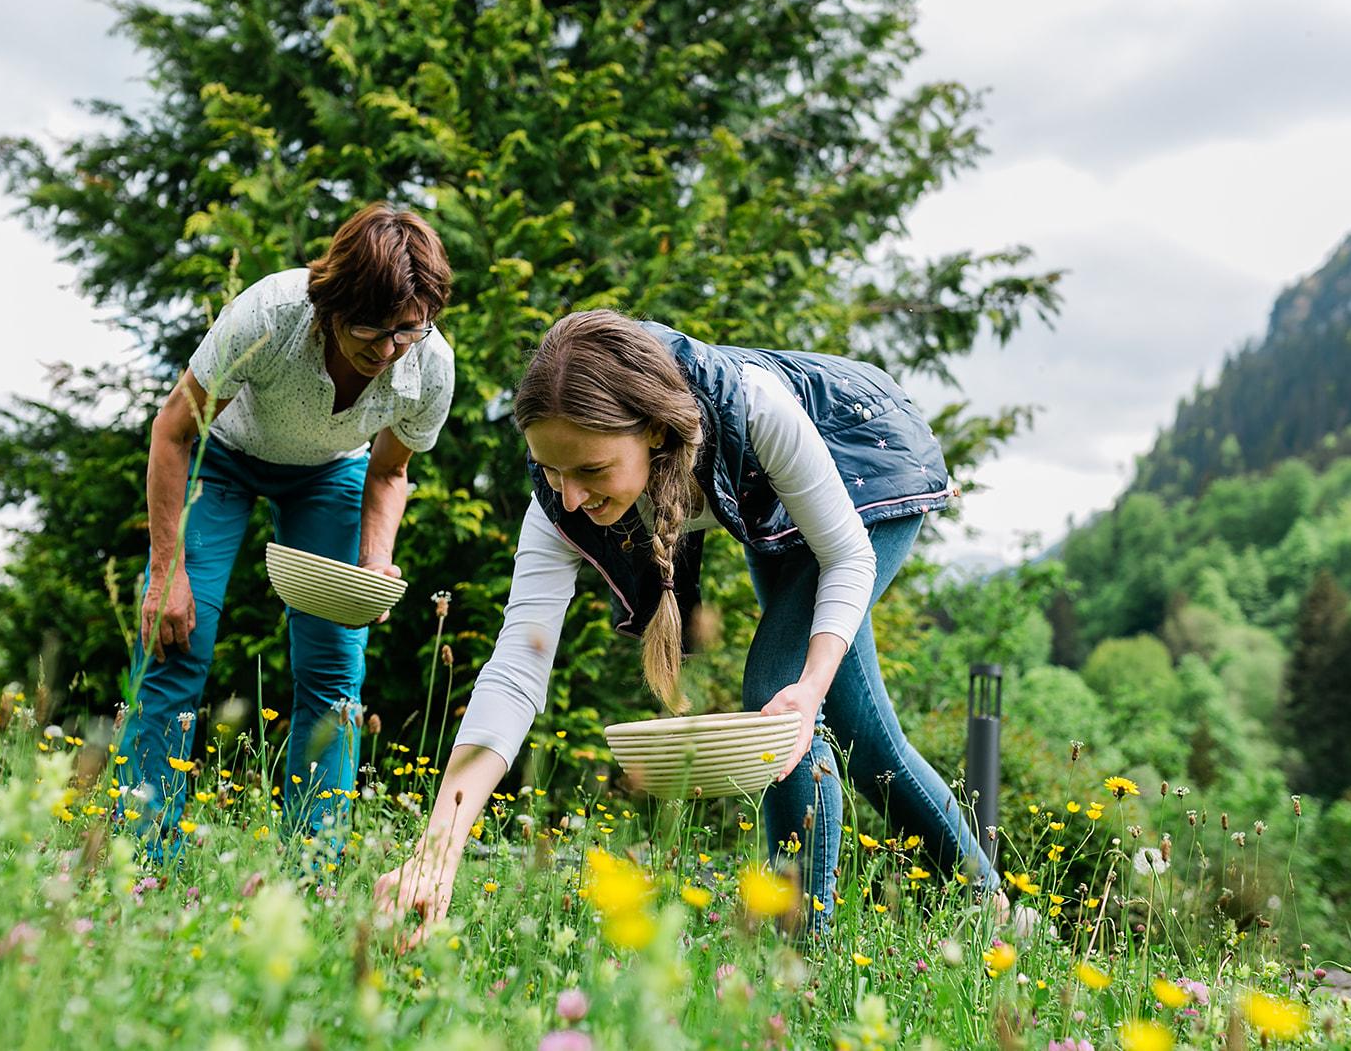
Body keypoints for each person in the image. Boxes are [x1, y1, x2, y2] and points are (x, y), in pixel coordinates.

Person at [375, 308, 994, 938]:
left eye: (591, 470)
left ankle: (801, 952)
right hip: (772, 501)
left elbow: (846, 556)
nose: (570, 497)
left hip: (867, 451)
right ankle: (990, 905)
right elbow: (515, 670)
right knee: (867, 739)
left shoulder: (752, 408)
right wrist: (436, 851)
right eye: (553, 469)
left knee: (779, 692)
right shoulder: (558, 498)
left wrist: (809, 690)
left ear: (654, 432)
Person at [118, 203, 454, 848]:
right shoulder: (270, 314)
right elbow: (173, 430)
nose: (387, 350)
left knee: (335, 664)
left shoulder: (429, 364)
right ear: (332, 302)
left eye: (406, 331)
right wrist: (166, 571)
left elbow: (389, 470)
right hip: (221, 456)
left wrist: (374, 563)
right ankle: (143, 850)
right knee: (179, 635)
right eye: (369, 328)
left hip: (329, 472)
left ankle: (314, 865)